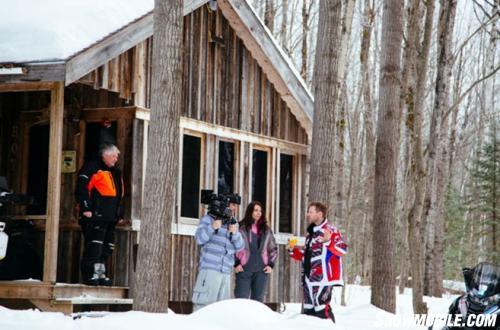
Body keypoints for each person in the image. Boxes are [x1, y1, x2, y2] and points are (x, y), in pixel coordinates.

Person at [288, 202, 347, 323]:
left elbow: (342, 249)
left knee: (321, 309)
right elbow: (307, 256)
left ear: (319, 214)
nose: (307, 214)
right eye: (308, 211)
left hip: (324, 277)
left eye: (311, 212)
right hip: (309, 278)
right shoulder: (311, 232)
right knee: (308, 311)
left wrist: (328, 241)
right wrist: (292, 249)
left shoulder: (331, 230)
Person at [75, 143, 124, 286]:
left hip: (110, 218)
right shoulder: (92, 167)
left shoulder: (115, 171)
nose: (116, 159)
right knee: (94, 247)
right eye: (114, 156)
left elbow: (119, 195)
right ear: (106, 155)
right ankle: (90, 275)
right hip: (95, 216)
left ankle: (100, 274)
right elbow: (81, 188)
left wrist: (119, 214)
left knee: (106, 248)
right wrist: (86, 208)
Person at [192, 195, 244, 311]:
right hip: (210, 270)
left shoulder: (233, 223)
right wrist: (212, 227)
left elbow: (240, 247)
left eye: (236, 206)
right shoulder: (208, 219)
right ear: (225, 204)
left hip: (225, 272)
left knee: (221, 311)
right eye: (233, 205)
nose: (235, 208)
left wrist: (234, 234)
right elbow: (199, 239)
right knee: (204, 307)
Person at [234, 201, 277, 302]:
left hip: (261, 271)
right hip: (244, 269)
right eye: (256, 210)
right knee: (241, 299)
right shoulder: (241, 228)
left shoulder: (266, 230)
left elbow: (273, 248)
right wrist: (236, 264)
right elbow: (232, 246)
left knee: (258, 301)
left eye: (260, 211)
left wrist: (271, 265)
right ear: (250, 211)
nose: (259, 213)